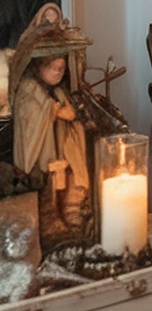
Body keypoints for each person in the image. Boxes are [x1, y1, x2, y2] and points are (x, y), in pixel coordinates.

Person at [11, 45, 90, 238]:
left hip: (63, 149)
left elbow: (70, 113)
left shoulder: (59, 91)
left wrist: (67, 114)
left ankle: (72, 218)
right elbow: (30, 114)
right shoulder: (29, 87)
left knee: (72, 181)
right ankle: (50, 220)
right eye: (53, 68)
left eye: (61, 69)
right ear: (40, 67)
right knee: (48, 187)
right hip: (42, 155)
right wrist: (52, 110)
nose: (57, 73)